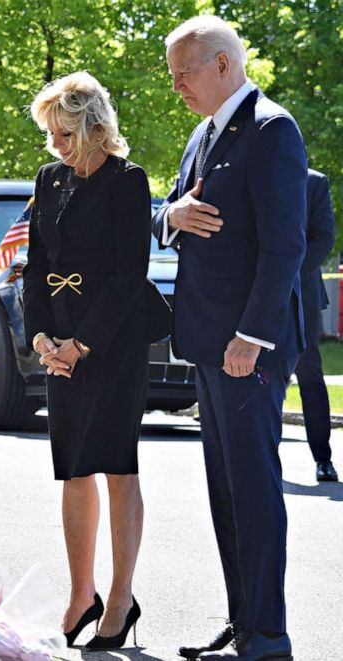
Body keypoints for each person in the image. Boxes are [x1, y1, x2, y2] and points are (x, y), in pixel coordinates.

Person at [152, 16, 306, 661]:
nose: (177, 85)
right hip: (208, 343)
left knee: (253, 486)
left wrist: (251, 335)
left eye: (183, 72)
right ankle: (243, 620)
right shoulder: (202, 133)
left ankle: (267, 633)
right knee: (225, 490)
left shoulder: (272, 129)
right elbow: (171, 207)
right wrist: (169, 216)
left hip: (247, 348)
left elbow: (285, 246)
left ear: (221, 64)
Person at [23, 72, 170, 651]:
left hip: (112, 341)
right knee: (72, 466)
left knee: (115, 464)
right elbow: (34, 267)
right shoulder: (49, 179)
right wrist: (42, 340)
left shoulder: (128, 180)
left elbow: (129, 272)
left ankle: (120, 596)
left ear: (93, 125)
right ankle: (80, 593)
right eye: (50, 134)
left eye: (64, 132)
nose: (56, 144)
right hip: (58, 342)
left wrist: (81, 345)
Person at [297, 170, 338, 482]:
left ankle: (323, 458)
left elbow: (323, 238)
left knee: (310, 374)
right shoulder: (252, 173)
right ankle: (259, 459)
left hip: (303, 294)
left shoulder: (315, 182)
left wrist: (286, 272)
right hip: (251, 292)